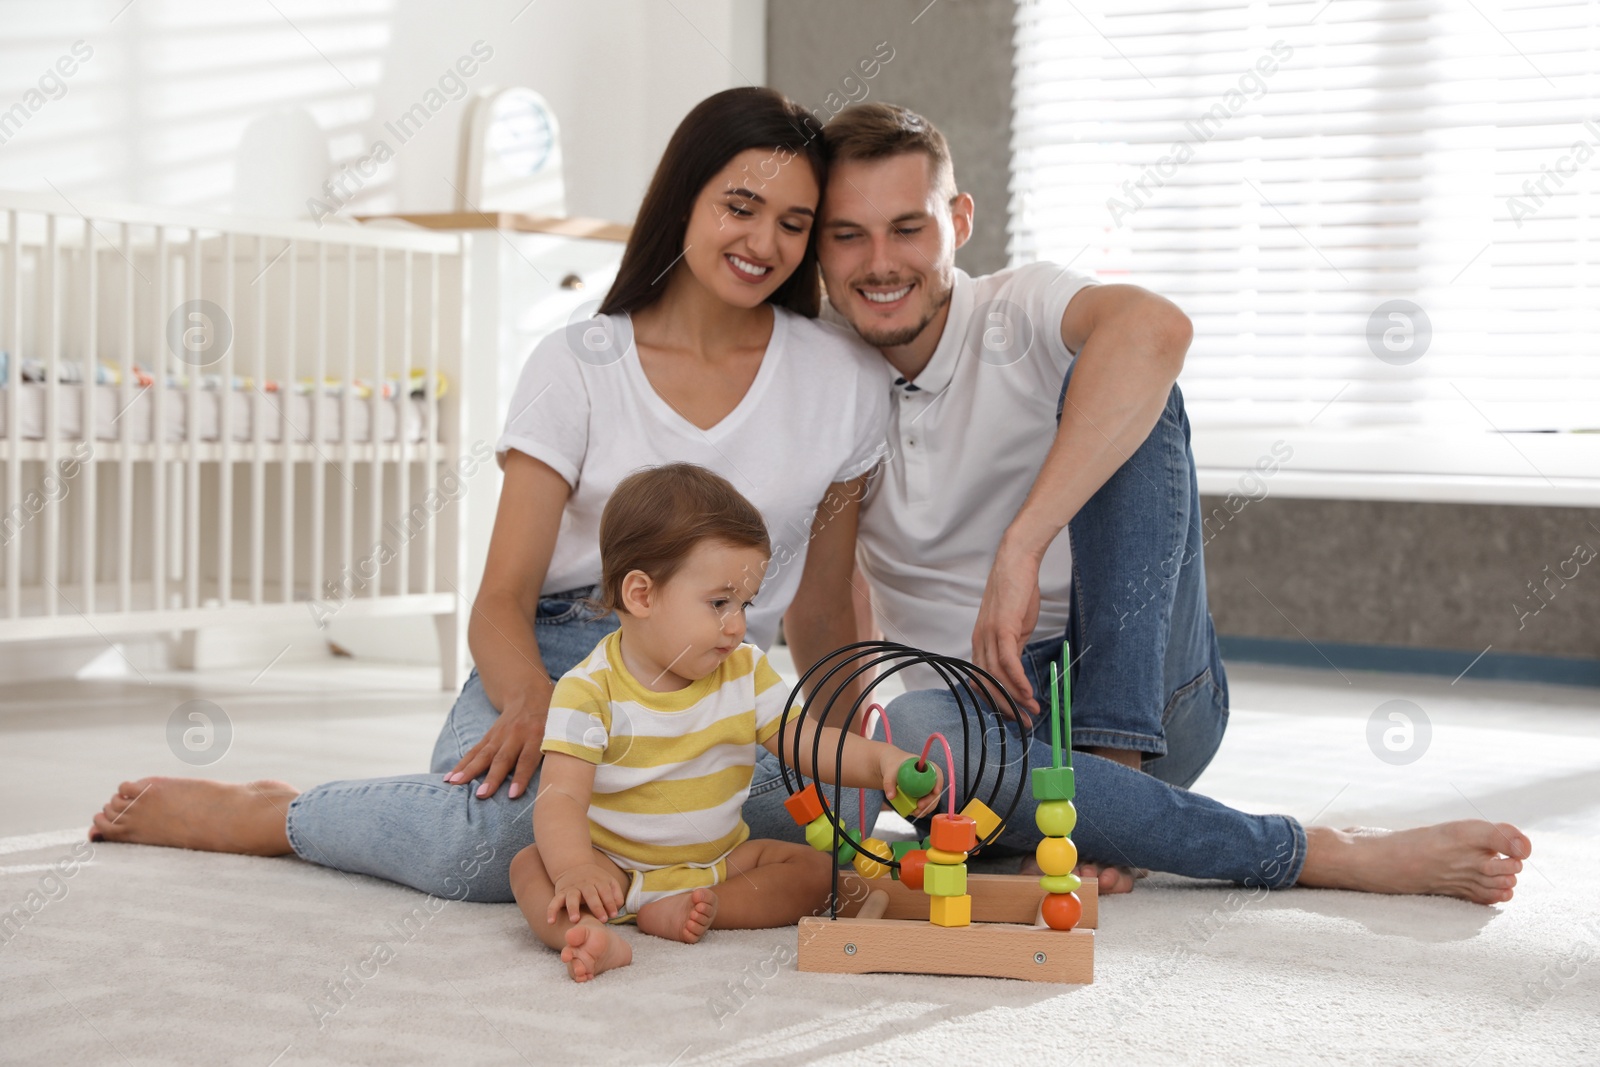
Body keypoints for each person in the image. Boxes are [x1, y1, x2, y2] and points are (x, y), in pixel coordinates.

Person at [87, 86, 892, 903]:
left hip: (717, 682)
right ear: (685, 196)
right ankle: (274, 815)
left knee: (809, 828)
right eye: (741, 207)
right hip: (563, 655)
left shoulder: (843, 381)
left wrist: (852, 767)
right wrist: (537, 706)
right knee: (499, 840)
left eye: (793, 224)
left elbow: (822, 609)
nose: (764, 242)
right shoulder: (578, 360)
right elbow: (501, 598)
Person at [784, 102, 1531, 905]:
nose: (879, 262)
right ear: (819, 245)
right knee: (889, 732)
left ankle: (1178, 804)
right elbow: (824, 608)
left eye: (907, 229)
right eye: (848, 235)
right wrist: (852, 789)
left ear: (958, 221)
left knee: (1138, 389)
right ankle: (1104, 823)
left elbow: (1156, 329)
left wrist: (1022, 547)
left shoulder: (1017, 310)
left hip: (1143, 698)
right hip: (975, 728)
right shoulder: (824, 377)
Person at [510, 464, 939, 982]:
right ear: (641, 595)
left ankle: (698, 906)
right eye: (719, 603)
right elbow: (561, 799)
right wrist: (575, 868)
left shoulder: (746, 671)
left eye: (745, 603)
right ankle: (589, 937)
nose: (737, 624)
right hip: (614, 868)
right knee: (532, 867)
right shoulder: (587, 689)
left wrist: (883, 762)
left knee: (813, 870)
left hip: (720, 862)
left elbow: (809, 743)